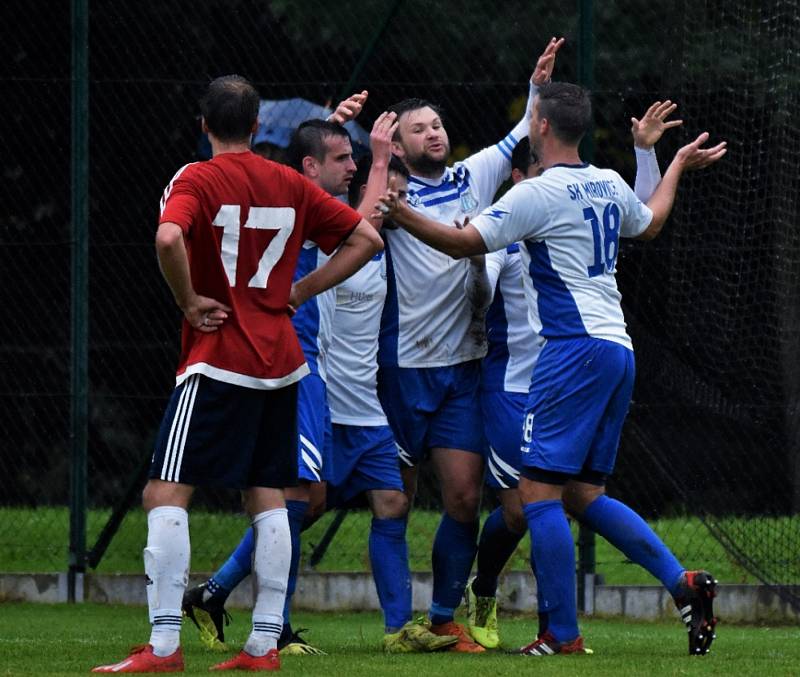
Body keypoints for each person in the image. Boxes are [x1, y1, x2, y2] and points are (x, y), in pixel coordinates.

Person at [376, 81, 726, 657]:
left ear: (539, 125)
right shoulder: (606, 181)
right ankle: (681, 583)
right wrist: (667, 159)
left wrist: (401, 212)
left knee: (536, 498)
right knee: (582, 494)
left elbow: (464, 244)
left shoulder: (535, 195)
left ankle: (559, 634)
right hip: (616, 349)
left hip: (570, 355)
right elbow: (651, 220)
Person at [92, 74, 382, 674]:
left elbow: (169, 235)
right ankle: (262, 647)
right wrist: (299, 290)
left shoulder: (194, 177)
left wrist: (189, 300)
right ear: (256, 127)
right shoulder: (289, 183)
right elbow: (365, 237)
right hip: (281, 363)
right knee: (270, 497)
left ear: (204, 126)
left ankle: (164, 647)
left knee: (165, 492)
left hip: (218, 356)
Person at [464, 102, 689, 649]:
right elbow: (480, 286)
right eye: (528, 174)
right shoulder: (519, 218)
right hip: (527, 383)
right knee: (547, 501)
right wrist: (476, 257)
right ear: (517, 179)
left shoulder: (551, 201)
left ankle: (555, 629)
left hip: (564, 370)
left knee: (540, 500)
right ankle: (491, 589)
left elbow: (636, 214)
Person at [181, 111, 402, 656]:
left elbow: (360, 218)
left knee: (311, 500)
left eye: (354, 160)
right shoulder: (290, 195)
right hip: (284, 366)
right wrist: (375, 150)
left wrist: (332, 126)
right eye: (340, 159)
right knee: (295, 497)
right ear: (308, 166)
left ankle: (215, 592)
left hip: (306, 370)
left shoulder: (297, 198)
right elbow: (366, 221)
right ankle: (267, 624)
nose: (351, 168)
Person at [375, 36, 564, 653]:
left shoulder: (472, 175)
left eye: (436, 123)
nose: (432, 133)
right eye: (418, 129)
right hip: (405, 367)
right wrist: (375, 159)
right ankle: (395, 628)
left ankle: (442, 620)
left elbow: (518, 138)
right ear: (398, 145)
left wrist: (536, 84)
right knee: (392, 502)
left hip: (463, 367)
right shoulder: (384, 196)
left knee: (461, 498)